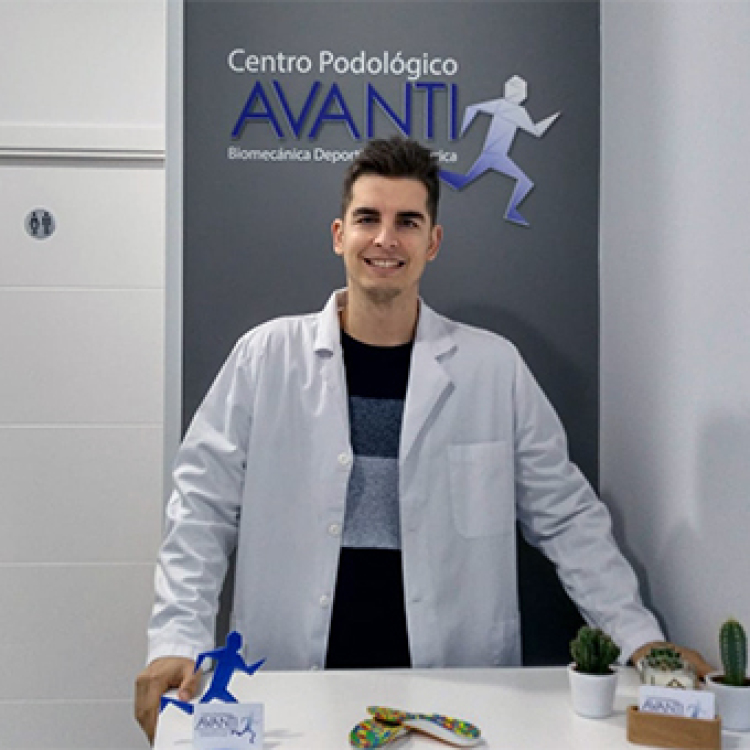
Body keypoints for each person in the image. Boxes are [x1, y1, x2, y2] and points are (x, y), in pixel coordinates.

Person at [135, 136, 711, 743]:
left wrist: (641, 641)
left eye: (407, 222)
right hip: (293, 672)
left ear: (432, 242)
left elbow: (567, 518)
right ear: (339, 235)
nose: (385, 239)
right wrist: (176, 640)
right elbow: (201, 510)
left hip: (456, 680)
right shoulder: (265, 357)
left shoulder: (493, 368)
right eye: (368, 219)